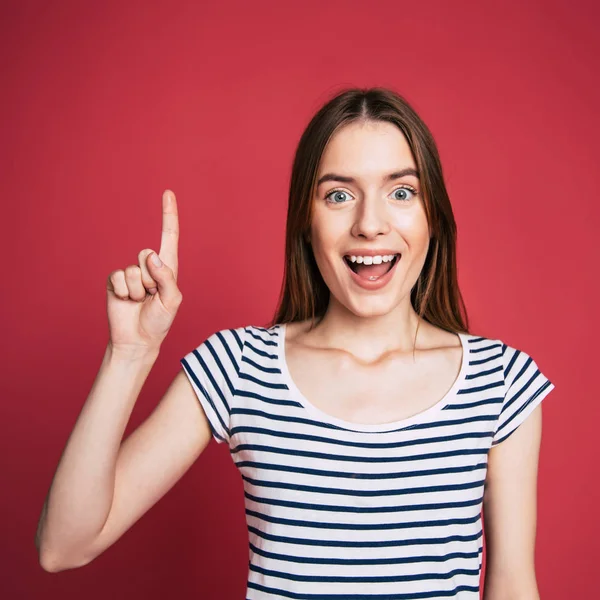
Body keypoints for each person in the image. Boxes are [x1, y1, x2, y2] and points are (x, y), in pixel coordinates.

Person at [35, 87, 556, 599]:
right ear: (306, 224)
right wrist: (129, 355)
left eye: (401, 192)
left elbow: (511, 584)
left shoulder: (500, 381)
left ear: (432, 217)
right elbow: (64, 546)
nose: (369, 224)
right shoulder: (239, 368)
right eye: (338, 195)